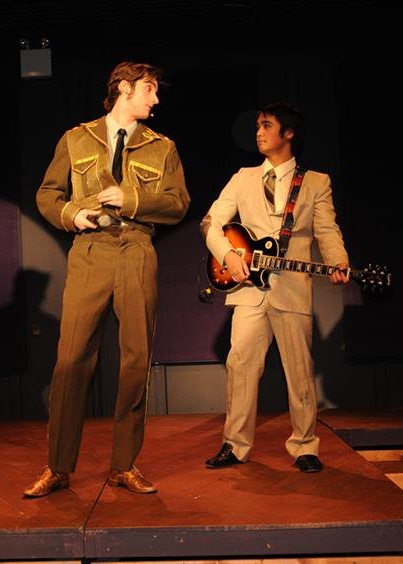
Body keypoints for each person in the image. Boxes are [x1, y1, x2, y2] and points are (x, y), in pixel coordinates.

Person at [24, 61, 190, 497]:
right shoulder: (77, 138)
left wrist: (131, 198)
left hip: (136, 249)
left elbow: (178, 203)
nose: (156, 99)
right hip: (90, 251)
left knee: (135, 360)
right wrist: (72, 214)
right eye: (150, 89)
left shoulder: (162, 147)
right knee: (71, 360)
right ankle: (58, 467)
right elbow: (48, 194)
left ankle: (124, 465)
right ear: (124, 88)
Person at [201, 102, 349, 473]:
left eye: (267, 125)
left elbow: (326, 230)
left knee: (299, 370)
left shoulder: (315, 182)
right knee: (240, 365)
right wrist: (228, 255)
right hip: (248, 288)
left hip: (292, 288)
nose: (259, 132)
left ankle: (305, 446)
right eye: (257, 126)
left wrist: (338, 260)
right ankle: (235, 445)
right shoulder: (243, 178)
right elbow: (211, 222)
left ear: (289, 133)